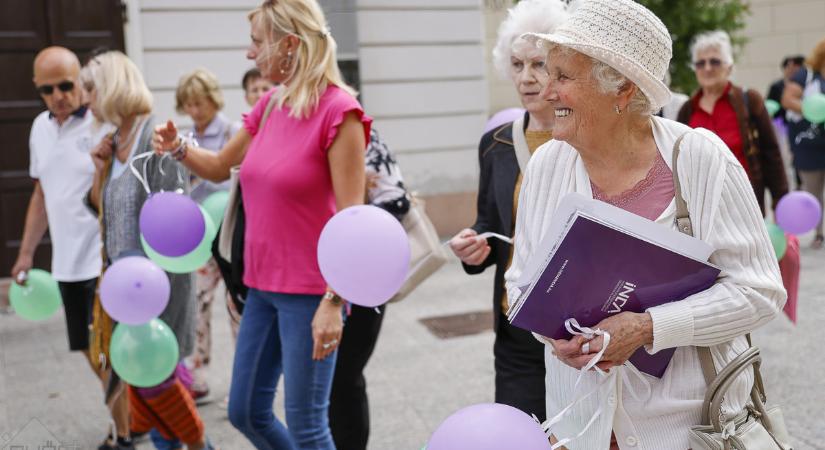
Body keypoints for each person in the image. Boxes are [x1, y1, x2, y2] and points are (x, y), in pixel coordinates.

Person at [506, 0, 786, 448]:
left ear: (621, 89)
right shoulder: (546, 167)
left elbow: (759, 290)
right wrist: (556, 336)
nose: (547, 90)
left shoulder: (698, 158)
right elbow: (521, 282)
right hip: (583, 428)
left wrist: (650, 326)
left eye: (563, 76)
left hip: (691, 431)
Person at [151, 1, 370, 448]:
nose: (251, 54)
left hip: (311, 294)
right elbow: (216, 167)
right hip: (259, 288)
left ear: (289, 44)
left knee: (309, 426)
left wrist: (334, 301)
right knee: (245, 410)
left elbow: (354, 222)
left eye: (257, 42)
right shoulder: (270, 104)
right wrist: (178, 147)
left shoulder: (339, 111)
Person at [82, 50, 212, 450]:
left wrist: (151, 284)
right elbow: (101, 211)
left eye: (91, 88)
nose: (86, 99)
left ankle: (201, 446)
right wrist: (101, 170)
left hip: (158, 285)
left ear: (111, 87)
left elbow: (174, 222)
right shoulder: (114, 141)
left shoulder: (154, 136)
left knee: (156, 382)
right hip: (124, 288)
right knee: (142, 381)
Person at [448, 0, 568, 422]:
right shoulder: (496, 143)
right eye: (517, 64)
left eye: (539, 64)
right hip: (516, 325)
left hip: (578, 327)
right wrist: (474, 244)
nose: (526, 78)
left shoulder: (588, 138)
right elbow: (489, 221)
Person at [11, 46, 130, 450]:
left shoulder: (104, 125)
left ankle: (125, 434)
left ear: (81, 79)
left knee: (109, 353)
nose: (59, 95)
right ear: (37, 89)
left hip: (102, 259)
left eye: (67, 84)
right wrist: (27, 252)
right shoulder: (39, 128)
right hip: (65, 262)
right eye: (49, 89)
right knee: (86, 347)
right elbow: (41, 194)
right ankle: (136, 415)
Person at [328, 128, 409, 450]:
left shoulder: (362, 135)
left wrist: (351, 214)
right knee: (322, 383)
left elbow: (396, 200)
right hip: (304, 276)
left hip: (363, 274)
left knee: (344, 376)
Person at [174, 67, 242, 402]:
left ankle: (244, 378)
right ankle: (198, 374)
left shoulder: (232, 131)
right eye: (188, 104)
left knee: (236, 307)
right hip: (201, 237)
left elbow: (236, 180)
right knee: (198, 302)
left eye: (199, 103)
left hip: (230, 235)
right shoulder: (185, 140)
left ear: (212, 100)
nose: (194, 111)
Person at [677, 30, 788, 215]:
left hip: (745, 201)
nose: (707, 68)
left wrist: (780, 202)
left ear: (729, 66)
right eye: (700, 63)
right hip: (702, 206)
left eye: (715, 61)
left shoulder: (749, 100)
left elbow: (771, 152)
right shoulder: (687, 109)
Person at [782, 37, 825, 248]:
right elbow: (788, 100)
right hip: (809, 145)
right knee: (814, 192)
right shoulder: (806, 75)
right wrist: (813, 111)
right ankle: (819, 233)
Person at [767, 55, 805, 122]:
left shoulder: (803, 85)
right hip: (780, 121)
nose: (792, 71)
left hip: (798, 121)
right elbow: (769, 103)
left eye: (795, 68)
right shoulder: (776, 86)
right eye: (789, 67)